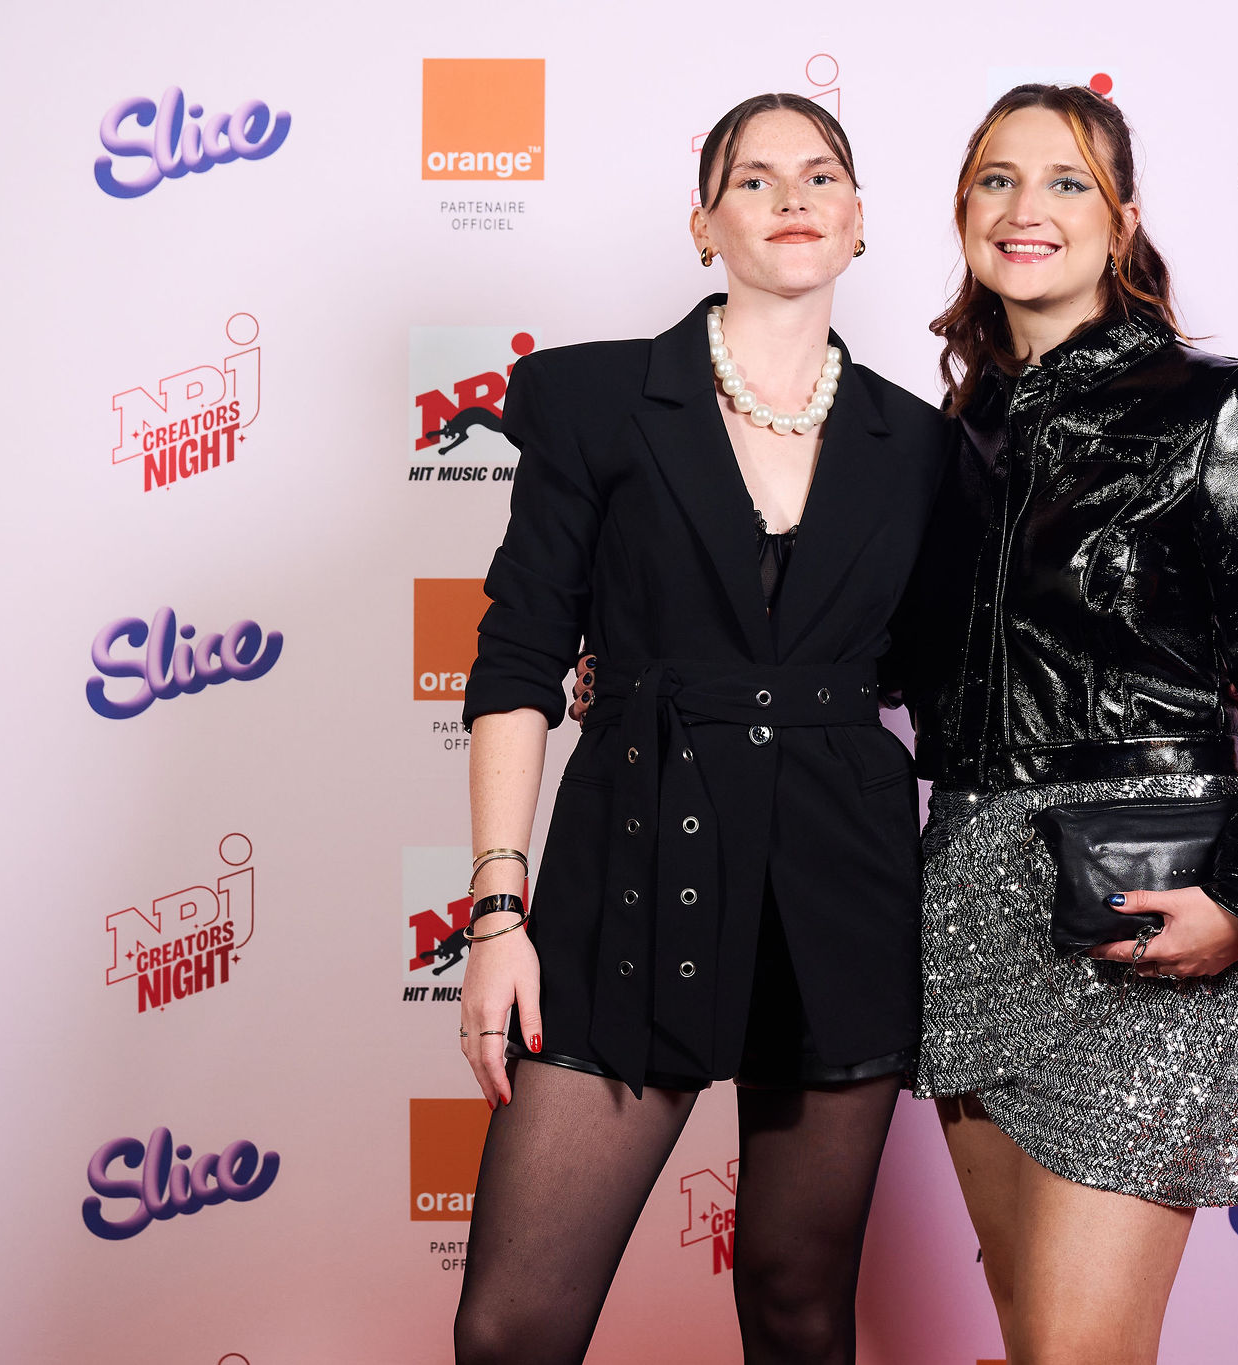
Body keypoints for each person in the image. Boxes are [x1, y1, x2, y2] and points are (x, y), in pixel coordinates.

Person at [451, 93, 946, 1365]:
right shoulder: (591, 397)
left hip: (843, 884)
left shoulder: (922, 446)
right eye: (753, 178)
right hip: (631, 860)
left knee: (796, 1305)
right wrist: (498, 914)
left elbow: (944, 687)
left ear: (857, 221)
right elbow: (518, 659)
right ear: (702, 225)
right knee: (511, 1330)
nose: (791, 198)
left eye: (821, 175)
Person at [899, 84, 1238, 1364]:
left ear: (1122, 219)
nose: (1025, 207)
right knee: (1029, 1336)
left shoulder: (1207, 407)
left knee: (1075, 1350)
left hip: (1140, 896)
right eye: (996, 179)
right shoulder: (948, 441)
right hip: (969, 898)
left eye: (1065, 182)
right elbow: (883, 658)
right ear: (962, 211)